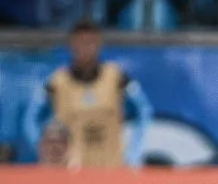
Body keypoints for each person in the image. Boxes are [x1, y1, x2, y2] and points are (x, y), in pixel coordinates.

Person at [24, 20, 152, 167]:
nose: (85, 48)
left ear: (98, 45)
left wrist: (134, 152)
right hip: (72, 171)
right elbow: (31, 117)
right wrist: (44, 150)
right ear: (71, 45)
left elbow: (144, 110)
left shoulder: (117, 77)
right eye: (80, 43)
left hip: (112, 167)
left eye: (90, 43)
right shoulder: (58, 82)